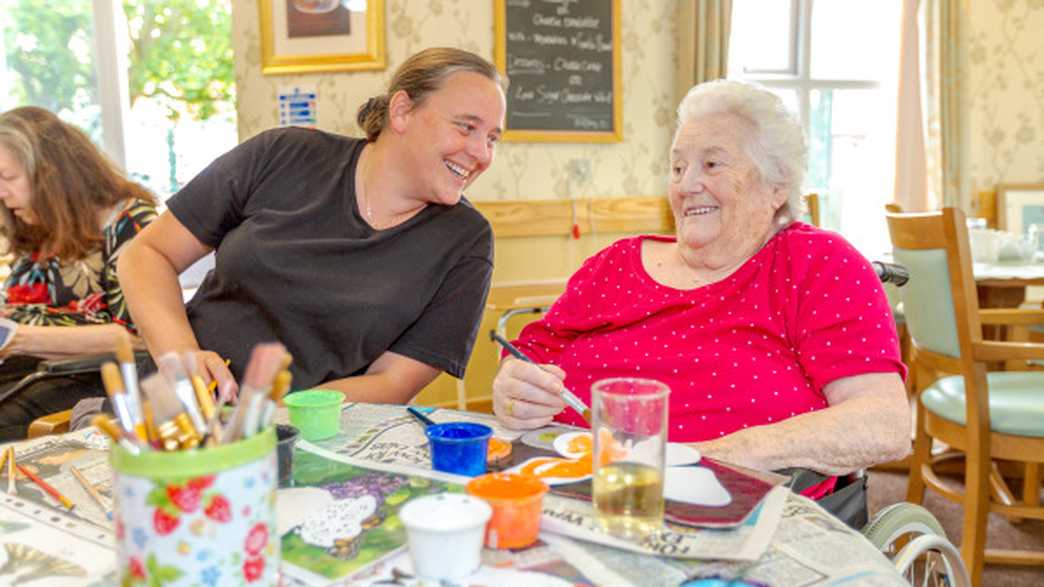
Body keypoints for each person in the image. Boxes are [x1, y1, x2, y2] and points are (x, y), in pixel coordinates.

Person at [491, 80, 910, 479]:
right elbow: (529, 355)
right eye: (677, 167)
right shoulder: (614, 265)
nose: (686, 185)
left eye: (711, 164)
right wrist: (516, 391)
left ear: (776, 186)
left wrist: (702, 459)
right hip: (565, 481)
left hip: (725, 506)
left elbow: (882, 421)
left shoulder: (815, 264)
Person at [119, 47, 504, 403]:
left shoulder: (466, 240)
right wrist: (182, 357)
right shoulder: (282, 154)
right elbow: (148, 254)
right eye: (466, 127)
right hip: (171, 410)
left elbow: (393, 381)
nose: (481, 154)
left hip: (308, 438)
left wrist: (273, 419)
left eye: (492, 138)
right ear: (402, 110)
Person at [0, 106, 157, 439]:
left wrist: (17, 339)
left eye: (8, 178)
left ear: (50, 173)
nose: (1, 192)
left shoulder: (129, 223)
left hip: (91, 376)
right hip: (33, 368)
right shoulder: (40, 228)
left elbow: (141, 336)